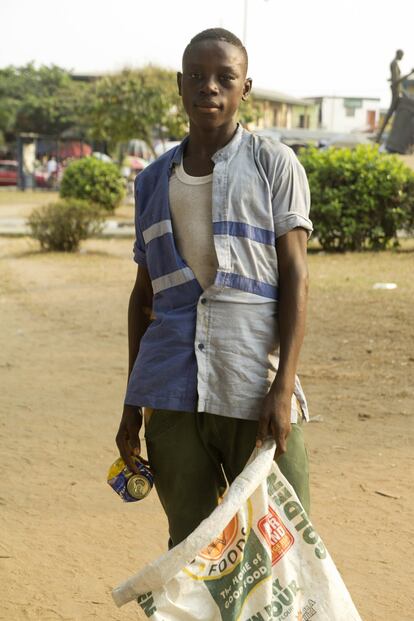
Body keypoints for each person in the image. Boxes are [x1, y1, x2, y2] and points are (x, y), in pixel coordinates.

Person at [116, 28, 313, 548]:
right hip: (171, 392)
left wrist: (283, 388)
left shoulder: (274, 164)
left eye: (225, 77)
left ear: (246, 87)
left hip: (252, 384)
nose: (210, 87)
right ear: (180, 86)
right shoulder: (152, 180)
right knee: (195, 550)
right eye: (197, 77)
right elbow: (143, 297)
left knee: (281, 545)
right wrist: (133, 404)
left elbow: (296, 276)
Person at [376, 49, 414, 143]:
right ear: (398, 54)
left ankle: (380, 137)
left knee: (392, 114)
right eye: (402, 55)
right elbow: (396, 82)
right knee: (391, 114)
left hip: (398, 91)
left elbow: (394, 79)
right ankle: (379, 138)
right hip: (395, 93)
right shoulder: (393, 64)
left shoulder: (395, 64)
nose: (402, 57)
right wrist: (410, 73)